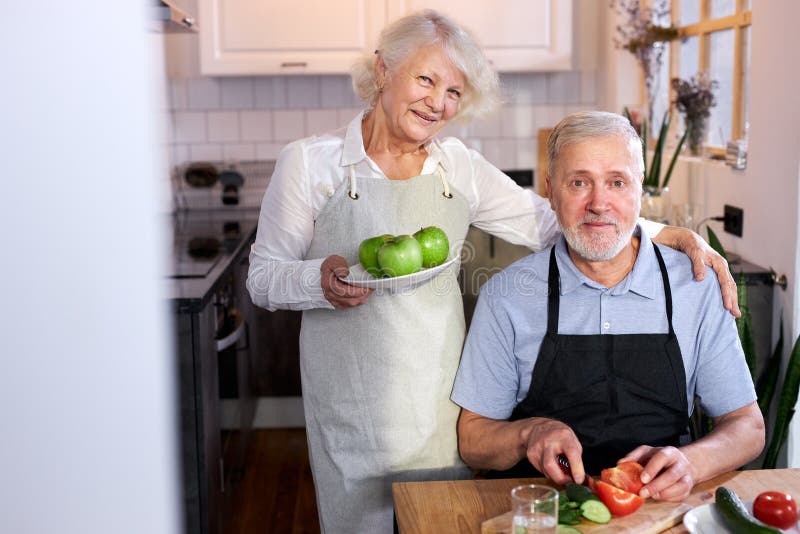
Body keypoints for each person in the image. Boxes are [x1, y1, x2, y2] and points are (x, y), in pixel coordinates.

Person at [246, 11, 739, 532]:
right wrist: (316, 281)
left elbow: (555, 220)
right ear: (383, 69)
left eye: (454, 91)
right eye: (426, 79)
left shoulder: (457, 167)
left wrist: (665, 234)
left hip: (439, 405)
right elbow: (262, 277)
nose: (438, 102)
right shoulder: (310, 164)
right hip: (350, 406)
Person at [451, 111, 765, 502]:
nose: (599, 204)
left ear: (640, 190)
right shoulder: (507, 295)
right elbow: (473, 438)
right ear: (550, 190)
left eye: (617, 182)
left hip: (660, 511)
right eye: (579, 182)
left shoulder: (695, 287)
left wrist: (691, 463)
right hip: (547, 513)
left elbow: (747, 426)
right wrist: (530, 433)